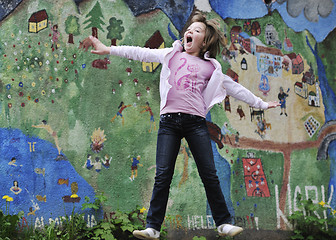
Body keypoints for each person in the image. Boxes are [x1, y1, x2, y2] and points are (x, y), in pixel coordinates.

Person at [79, 11, 280, 239]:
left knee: (209, 174)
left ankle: (223, 223)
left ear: (204, 42)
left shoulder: (212, 69)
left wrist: (261, 103)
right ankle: (153, 228)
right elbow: (140, 52)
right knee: (163, 174)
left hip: (195, 124)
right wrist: (108, 49)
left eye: (196, 31)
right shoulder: (171, 55)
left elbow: (235, 88)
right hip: (169, 123)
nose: (189, 32)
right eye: (189, 29)